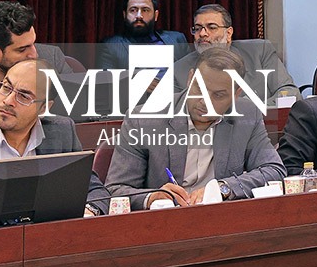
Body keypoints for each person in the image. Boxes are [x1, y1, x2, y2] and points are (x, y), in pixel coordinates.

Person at [106, 46, 285, 209]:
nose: (204, 101)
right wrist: (152, 197)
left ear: (236, 94)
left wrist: (223, 188)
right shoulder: (144, 119)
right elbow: (115, 189)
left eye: (218, 95)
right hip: (163, 221)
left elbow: (274, 170)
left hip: (222, 217)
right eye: (199, 88)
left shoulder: (247, 114)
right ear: (190, 78)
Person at [0, 59, 109, 215]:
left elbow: (94, 190)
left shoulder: (61, 131)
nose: (8, 100)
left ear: (43, 108)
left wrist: (89, 211)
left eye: (23, 96)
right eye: (6, 87)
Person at [172, 4, 298, 105]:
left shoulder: (260, 51)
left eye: (212, 27)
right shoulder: (178, 70)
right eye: (197, 28)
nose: (202, 33)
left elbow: (290, 93)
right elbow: (173, 115)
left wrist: (254, 111)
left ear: (229, 33)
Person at [0, 1, 73, 101]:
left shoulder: (52, 58)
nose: (34, 54)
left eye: (33, 43)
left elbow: (75, 104)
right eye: (22, 49)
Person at [97, 0, 191, 69]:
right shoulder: (110, 46)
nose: (139, 16)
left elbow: (190, 75)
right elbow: (106, 82)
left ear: (156, 15)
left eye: (145, 10)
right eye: (133, 10)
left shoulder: (177, 39)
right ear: (124, 15)